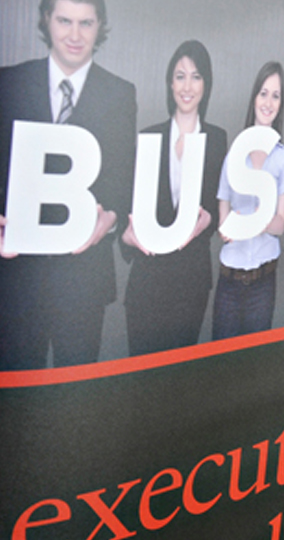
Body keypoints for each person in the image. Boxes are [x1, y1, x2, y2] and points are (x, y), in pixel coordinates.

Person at [0, 0, 136, 370]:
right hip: (17, 281)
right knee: (16, 400)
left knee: (73, 403)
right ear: (47, 20)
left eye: (86, 23)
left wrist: (109, 217)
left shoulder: (121, 94)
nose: (75, 35)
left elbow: (123, 180)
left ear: (100, 25)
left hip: (83, 282)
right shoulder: (7, 83)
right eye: (64, 21)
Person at [121, 40, 226, 356]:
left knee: (176, 385)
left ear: (205, 85)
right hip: (146, 283)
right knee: (141, 381)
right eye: (180, 76)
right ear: (170, 83)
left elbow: (217, 209)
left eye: (196, 76)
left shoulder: (217, 140)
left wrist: (210, 222)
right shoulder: (149, 137)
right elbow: (130, 210)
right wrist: (126, 238)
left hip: (189, 284)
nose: (187, 85)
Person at [213, 61, 284, 339]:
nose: (268, 102)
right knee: (221, 364)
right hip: (229, 279)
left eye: (275, 95)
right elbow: (223, 206)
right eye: (263, 93)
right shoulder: (235, 153)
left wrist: (260, 220)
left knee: (253, 367)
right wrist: (226, 227)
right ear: (254, 98)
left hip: (263, 281)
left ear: (281, 104)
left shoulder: (283, 157)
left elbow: (281, 224)